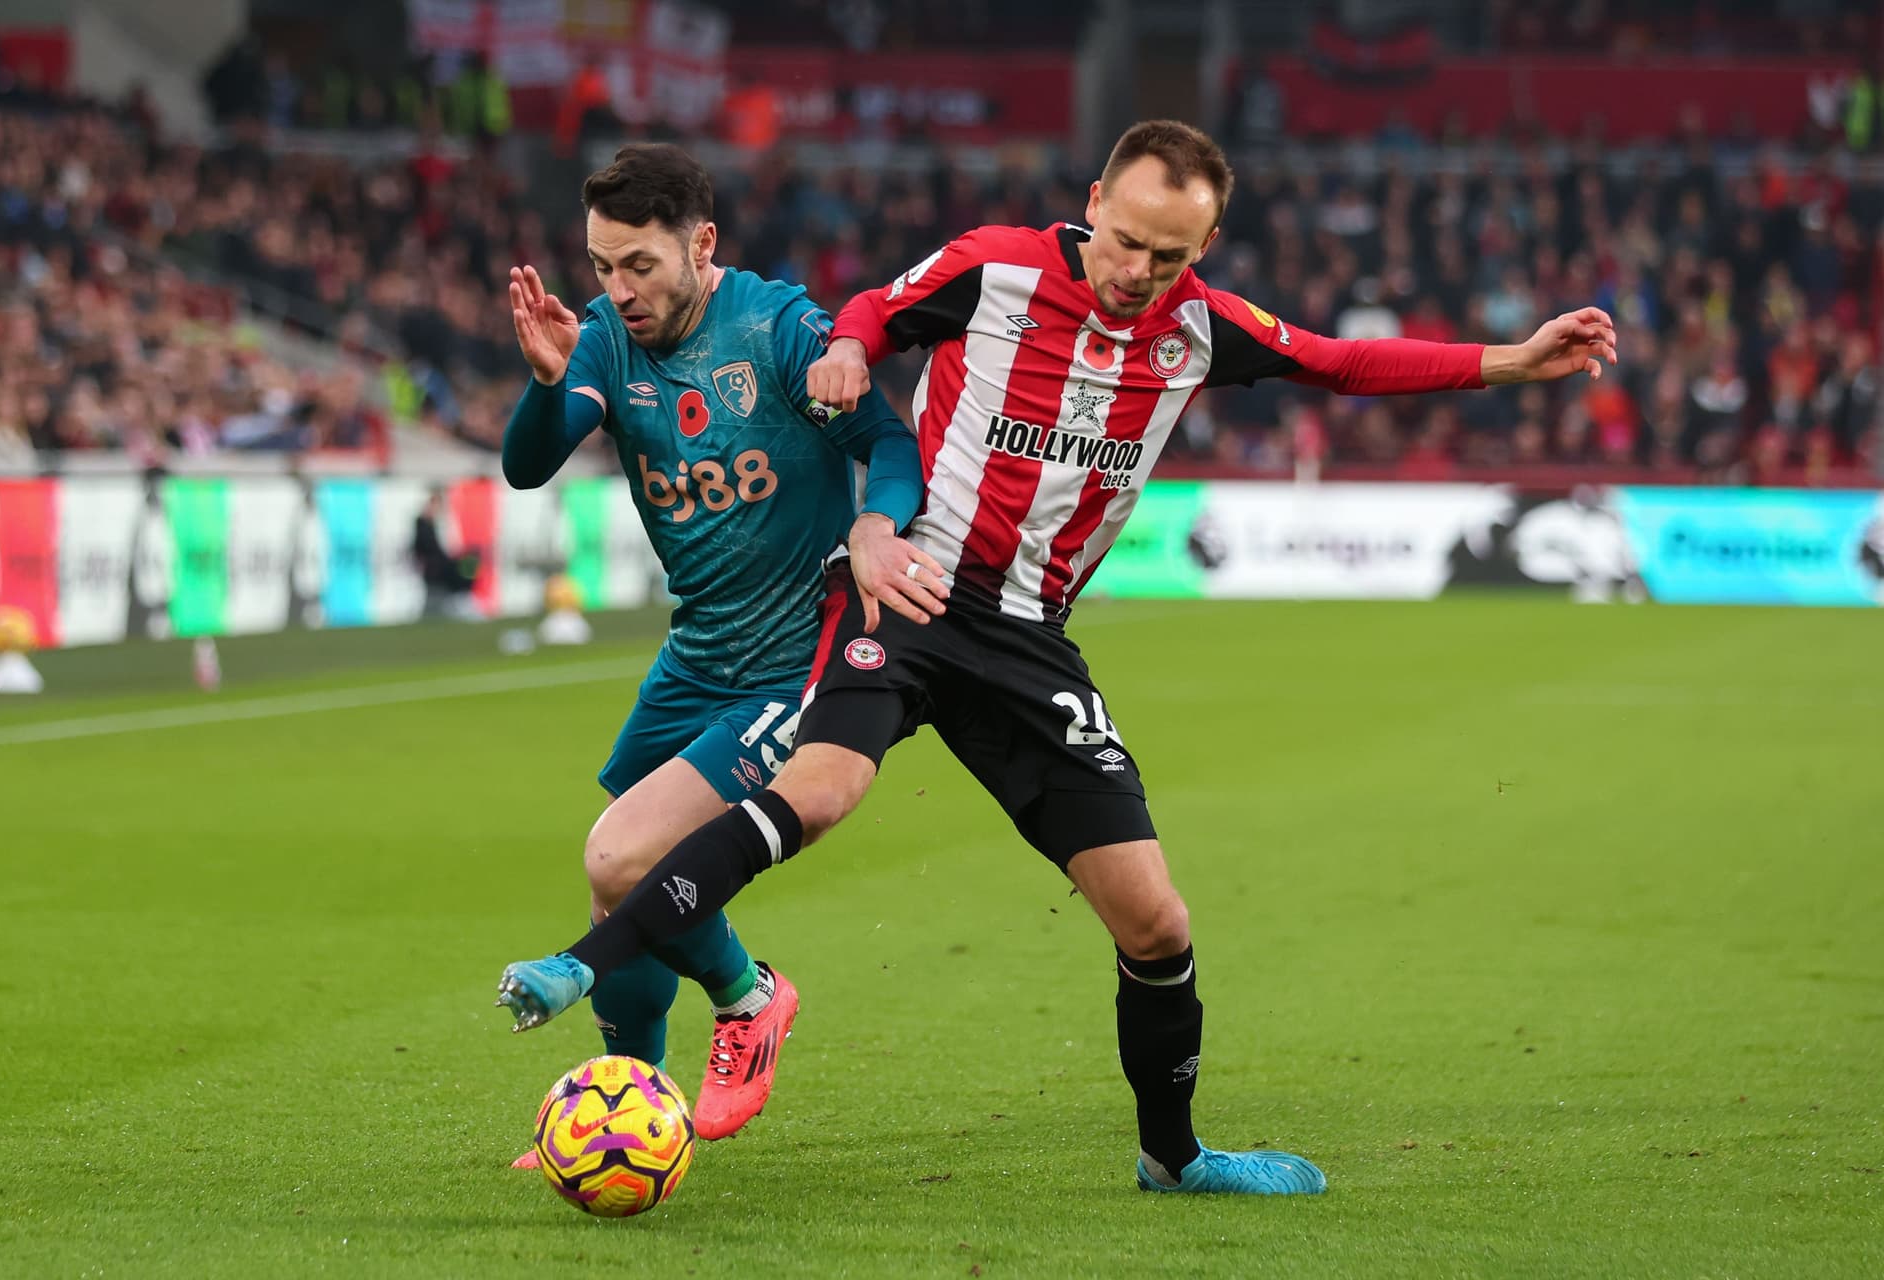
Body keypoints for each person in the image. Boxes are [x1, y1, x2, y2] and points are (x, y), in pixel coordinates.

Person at [496, 120, 1619, 1195]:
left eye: (1169, 253)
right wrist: (850, 369)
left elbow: (1341, 362)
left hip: (1029, 641)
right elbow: (876, 313)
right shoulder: (994, 270)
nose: (1137, 270)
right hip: (909, 593)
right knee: (817, 792)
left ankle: (1173, 1157)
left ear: (1204, 250)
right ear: (1093, 205)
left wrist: (1509, 362)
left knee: (1157, 921)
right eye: (1126, 240)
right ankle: (605, 970)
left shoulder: (1199, 326)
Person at [495, 143, 941, 1160]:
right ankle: (626, 1101)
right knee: (619, 883)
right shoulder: (606, 339)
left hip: (795, 665)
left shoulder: (779, 330)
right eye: (603, 266)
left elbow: (889, 441)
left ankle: (750, 996)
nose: (619, 290)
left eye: (640, 265)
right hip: (696, 654)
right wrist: (546, 380)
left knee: (618, 849)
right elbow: (530, 464)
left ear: (701, 243)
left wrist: (877, 526)